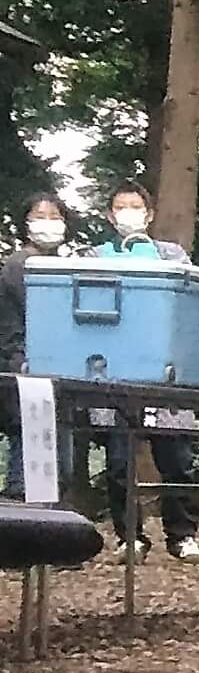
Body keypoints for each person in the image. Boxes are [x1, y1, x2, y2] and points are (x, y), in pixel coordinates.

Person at [94, 183, 199, 563]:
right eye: (120, 207)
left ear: (149, 213)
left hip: (163, 371)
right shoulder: (95, 256)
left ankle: (183, 534)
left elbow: (186, 303)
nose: (128, 213)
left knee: (177, 458)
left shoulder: (171, 255)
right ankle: (130, 537)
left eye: (135, 206)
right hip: (113, 372)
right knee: (120, 461)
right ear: (109, 216)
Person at [3, 192, 70, 499]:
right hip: (26, 369)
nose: (48, 223)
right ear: (26, 223)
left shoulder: (65, 265)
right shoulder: (19, 265)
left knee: (54, 460)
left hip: (58, 370)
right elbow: (16, 323)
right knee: (27, 452)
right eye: (40, 216)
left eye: (55, 217)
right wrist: (19, 360)